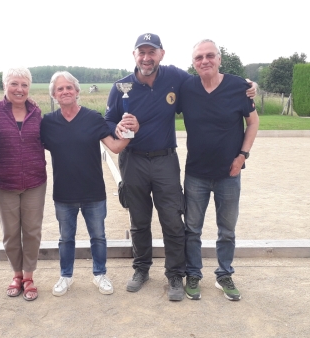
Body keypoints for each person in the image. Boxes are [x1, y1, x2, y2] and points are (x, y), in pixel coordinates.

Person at [105, 33, 256, 301]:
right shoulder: (121, 87)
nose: (146, 57)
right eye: (142, 52)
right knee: (139, 220)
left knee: (173, 220)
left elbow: (209, 79)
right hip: (133, 160)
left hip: (165, 159)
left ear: (162, 54)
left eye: (152, 52)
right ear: (134, 55)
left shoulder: (177, 78)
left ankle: (175, 273)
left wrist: (247, 85)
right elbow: (107, 121)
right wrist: (116, 127)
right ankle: (141, 269)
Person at [40, 71, 137, 296]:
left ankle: (100, 274)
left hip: (93, 191)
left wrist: (130, 133)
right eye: (60, 89)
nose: (65, 92)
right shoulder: (48, 122)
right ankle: (65, 276)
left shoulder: (93, 117)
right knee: (65, 239)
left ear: (77, 91)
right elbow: (34, 148)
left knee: (98, 237)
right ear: (54, 95)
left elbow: (114, 147)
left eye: (69, 88)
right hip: (64, 193)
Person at [179, 39, 259, 301]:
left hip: (229, 173)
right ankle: (193, 273)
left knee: (227, 230)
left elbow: (253, 122)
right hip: (196, 174)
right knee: (192, 230)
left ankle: (224, 274)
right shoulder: (187, 88)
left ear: (219, 58)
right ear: (193, 63)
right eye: (199, 57)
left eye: (210, 55)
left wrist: (242, 156)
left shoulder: (239, 87)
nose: (205, 61)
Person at [0, 68, 46, 301]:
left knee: (32, 231)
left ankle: (29, 276)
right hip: (3, 182)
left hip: (34, 181)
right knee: (10, 233)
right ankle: (17, 275)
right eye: (14, 84)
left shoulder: (37, 112)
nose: (19, 89)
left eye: (24, 85)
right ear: (4, 85)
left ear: (29, 87)